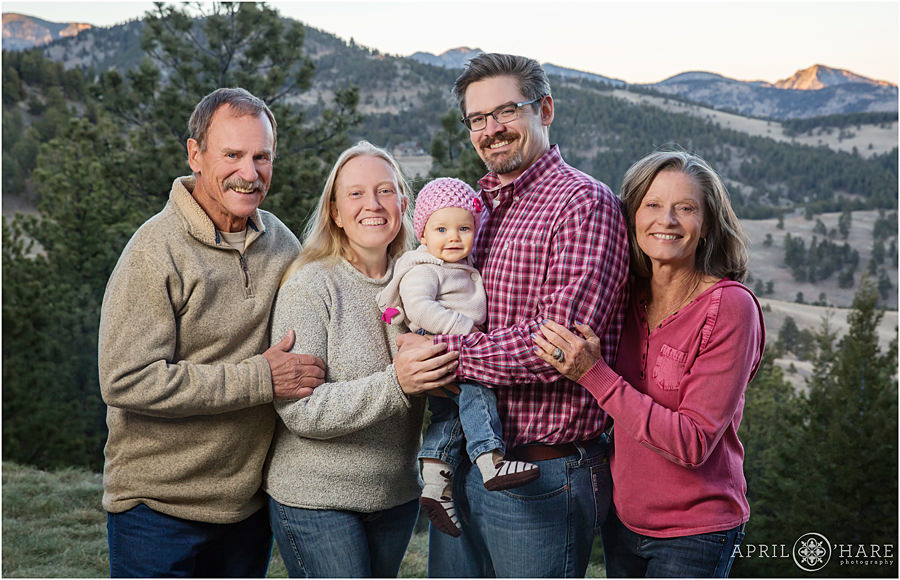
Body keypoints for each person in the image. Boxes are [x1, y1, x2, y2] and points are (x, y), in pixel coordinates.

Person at [396, 53, 630, 577]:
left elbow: (558, 349)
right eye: (478, 118)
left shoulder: (582, 204)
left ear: (544, 109)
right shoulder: (475, 208)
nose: (491, 129)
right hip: (465, 461)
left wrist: (439, 353)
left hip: (544, 472)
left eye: (507, 111)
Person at [98, 87, 327, 578]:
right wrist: (259, 379)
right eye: (233, 155)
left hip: (247, 509)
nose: (250, 173)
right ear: (195, 154)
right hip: (156, 510)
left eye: (261, 156)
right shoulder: (154, 251)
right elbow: (125, 380)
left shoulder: (282, 243)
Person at [533, 150, 764, 578]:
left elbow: (692, 442)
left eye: (686, 208)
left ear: (708, 223)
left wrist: (593, 375)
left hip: (695, 532)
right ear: (632, 215)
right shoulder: (626, 294)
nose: (667, 220)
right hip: (622, 520)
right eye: (653, 205)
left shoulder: (730, 308)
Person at [264, 141, 460, 578]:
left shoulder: (424, 283)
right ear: (335, 211)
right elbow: (301, 410)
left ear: (404, 204)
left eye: (385, 191)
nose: (372, 204)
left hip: (395, 495)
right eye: (355, 193)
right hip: (317, 499)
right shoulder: (311, 285)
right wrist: (396, 384)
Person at [377, 177, 540, 538]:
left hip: (448, 339)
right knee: (479, 391)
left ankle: (436, 487)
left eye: (464, 228)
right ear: (423, 233)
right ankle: (490, 460)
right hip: (442, 340)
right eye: (442, 228)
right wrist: (467, 333)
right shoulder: (423, 268)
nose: (454, 237)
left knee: (449, 416)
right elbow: (420, 308)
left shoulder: (455, 263)